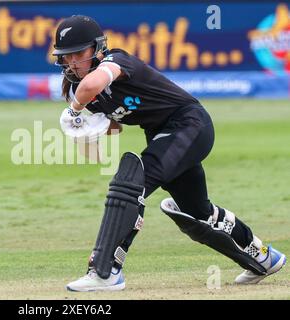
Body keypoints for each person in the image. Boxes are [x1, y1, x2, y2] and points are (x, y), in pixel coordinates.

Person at [52, 15, 286, 292]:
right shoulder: (84, 92)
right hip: (163, 135)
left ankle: (105, 270)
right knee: (198, 212)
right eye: (66, 57)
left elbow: (92, 85)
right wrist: (86, 129)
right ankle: (262, 257)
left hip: (190, 124)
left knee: (130, 182)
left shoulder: (115, 61)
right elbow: (113, 128)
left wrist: (74, 110)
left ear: (98, 48)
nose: (72, 63)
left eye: (78, 54)